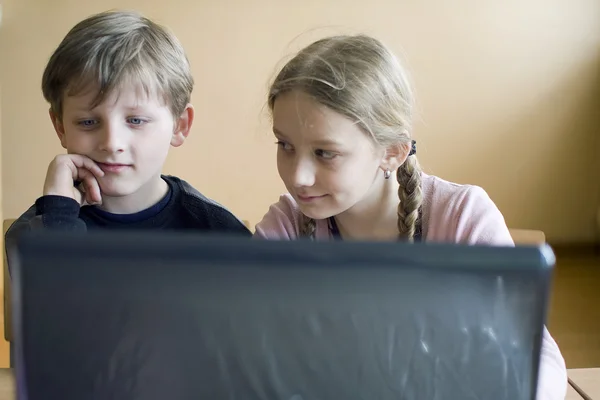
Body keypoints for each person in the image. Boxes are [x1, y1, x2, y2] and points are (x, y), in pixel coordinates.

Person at [254, 34, 567, 398]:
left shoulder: (462, 217)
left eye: (325, 152)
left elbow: (534, 355)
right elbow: (238, 346)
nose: (297, 176)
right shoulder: (287, 227)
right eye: (285, 146)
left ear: (392, 152)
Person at [6, 10, 250, 247]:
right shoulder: (35, 234)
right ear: (60, 128)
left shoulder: (220, 232)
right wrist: (58, 218)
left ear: (179, 125)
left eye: (136, 120)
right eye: (88, 122)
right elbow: (51, 287)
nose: (112, 143)